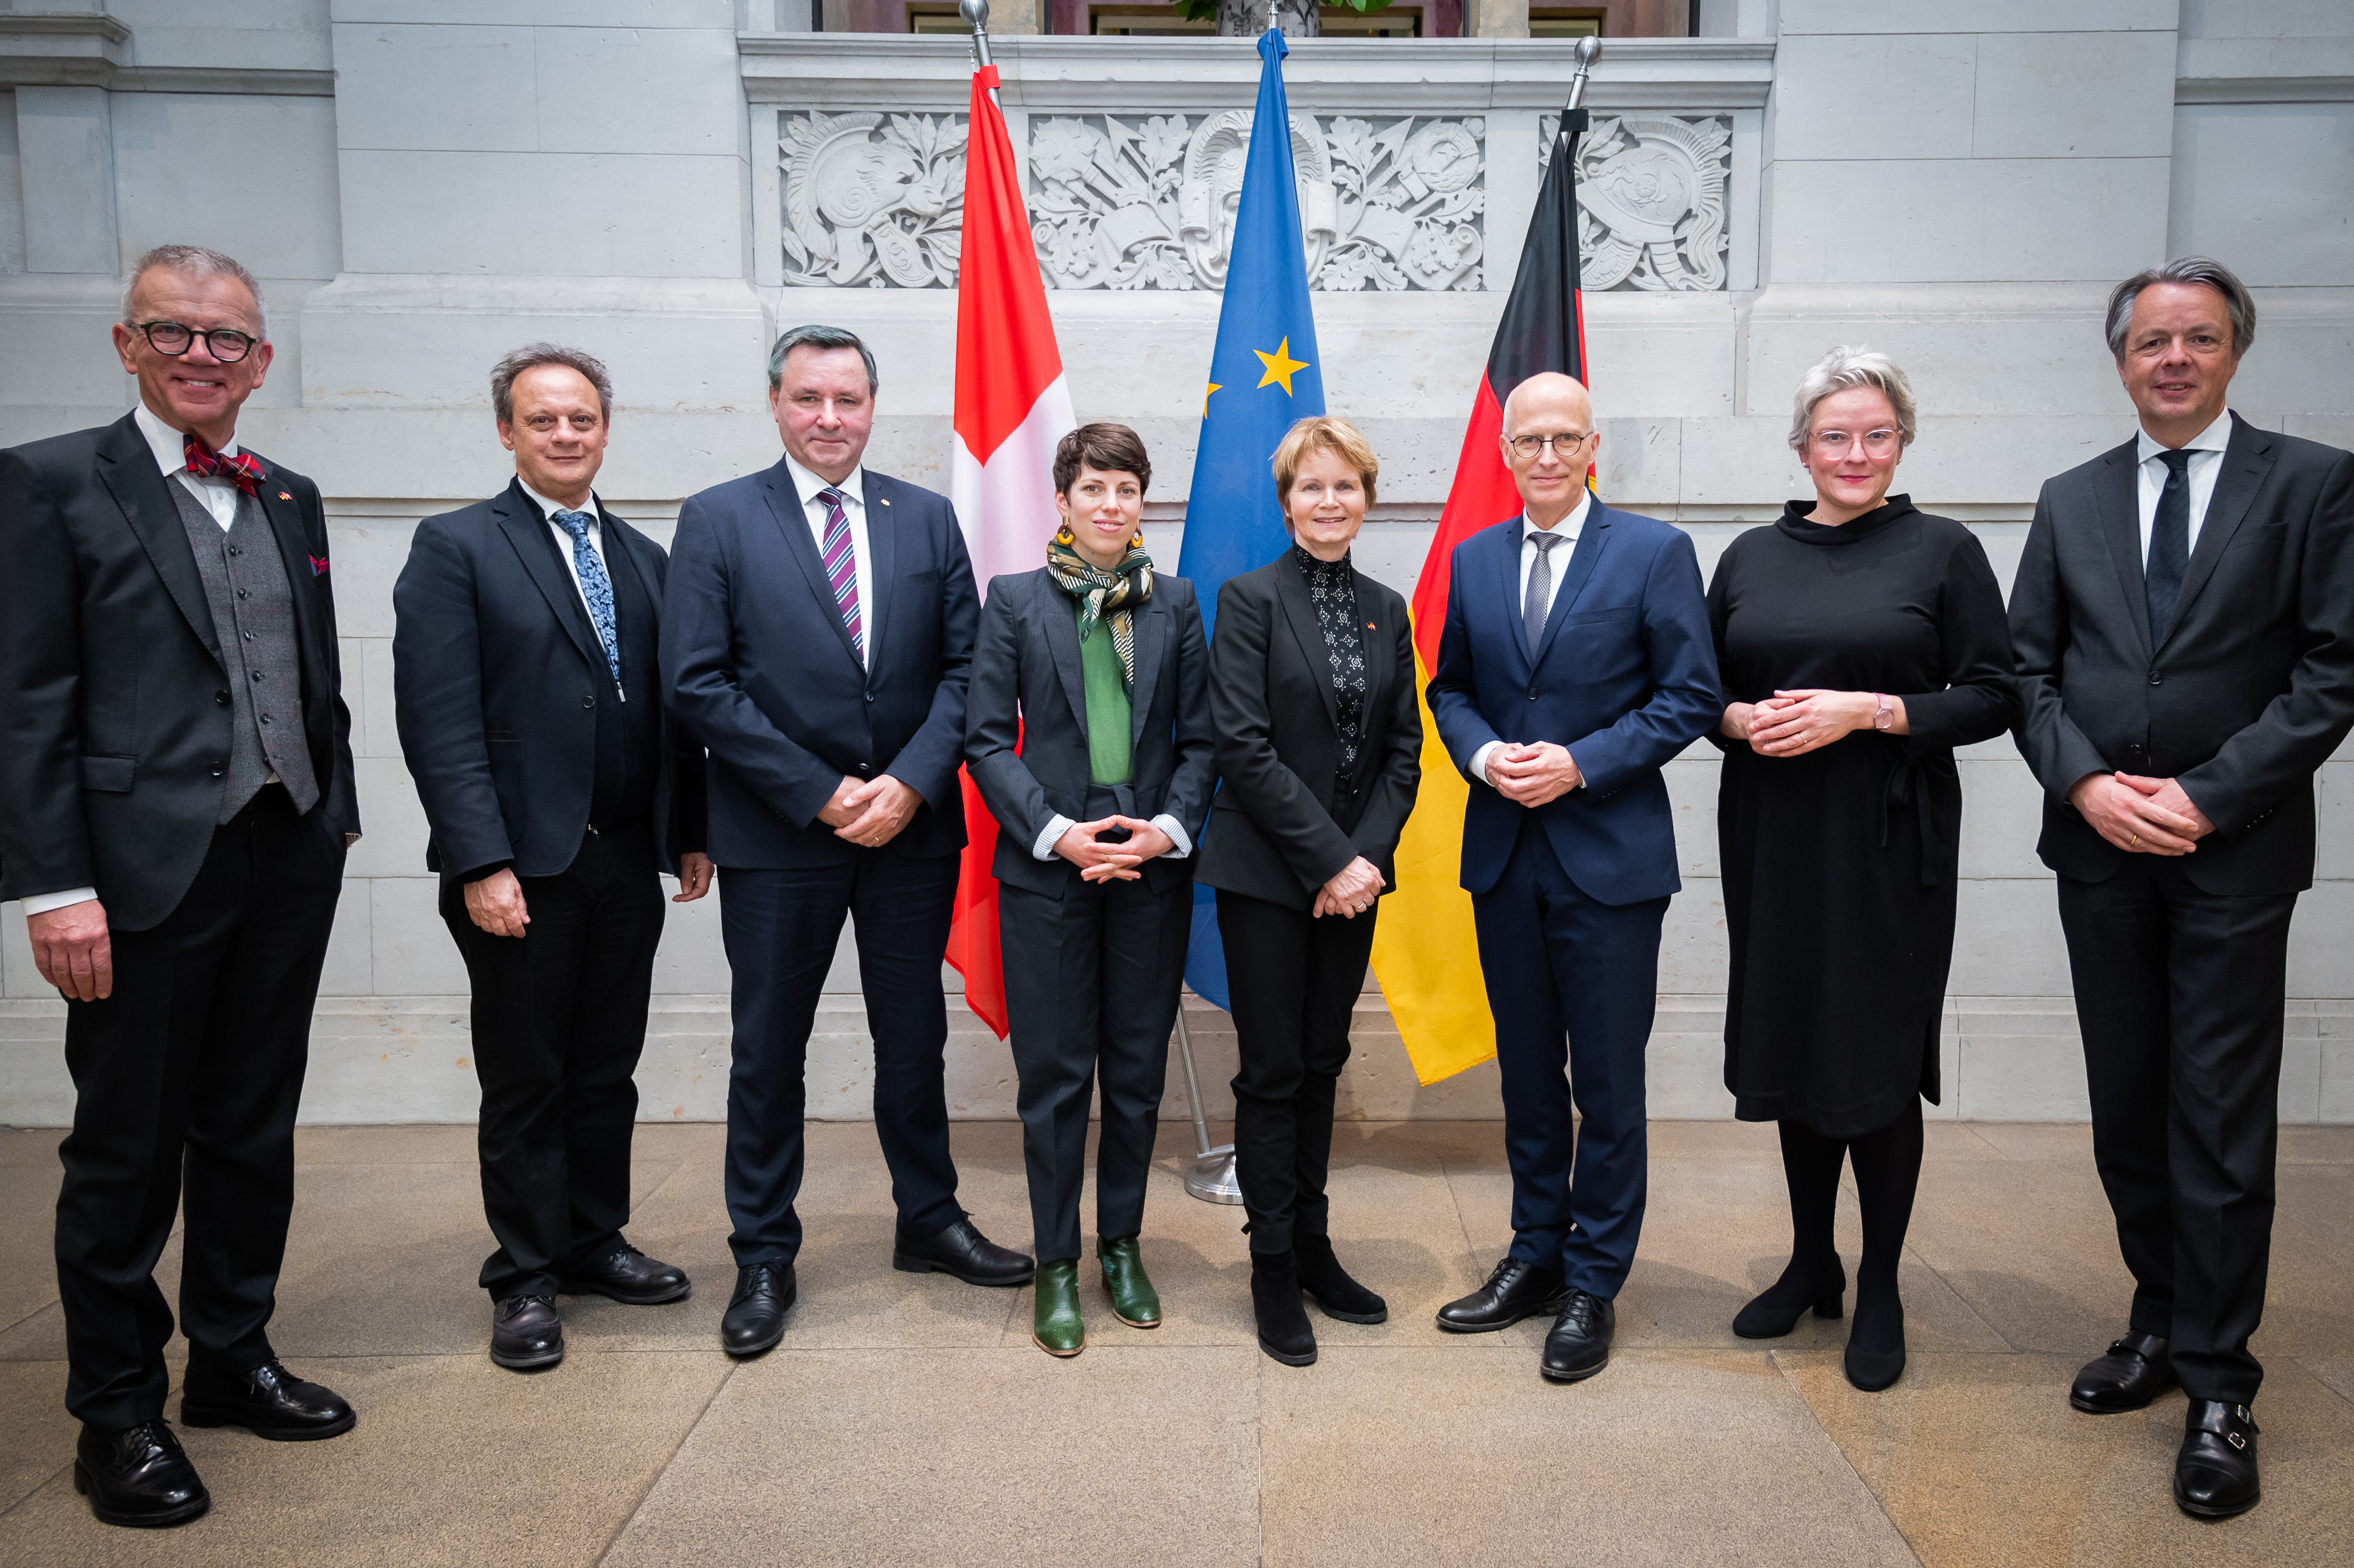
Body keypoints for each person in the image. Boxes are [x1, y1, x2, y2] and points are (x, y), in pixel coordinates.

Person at [0, 246, 360, 1528]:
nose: (202, 355)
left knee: (251, 1125)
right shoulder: (51, 484)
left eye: (228, 339)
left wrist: (333, 816)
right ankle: (115, 1410)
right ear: (125, 343)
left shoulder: (289, 493)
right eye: (175, 332)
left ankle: (230, 1356)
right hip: (140, 870)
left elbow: (306, 675)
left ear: (263, 358)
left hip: (285, 851)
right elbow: (26, 700)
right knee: (126, 1145)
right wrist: (52, 884)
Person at [2009, 257, 2354, 1520]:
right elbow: (2026, 671)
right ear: (2119, 359)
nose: (2172, 358)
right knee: (2129, 1104)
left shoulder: (2312, 484)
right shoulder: (2070, 496)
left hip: (2232, 853)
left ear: (2231, 353)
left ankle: (2220, 1382)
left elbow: (2332, 669)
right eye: (2151, 340)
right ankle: (2158, 1320)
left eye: (2197, 339)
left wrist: (2208, 793)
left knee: (2217, 1116)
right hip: (2099, 849)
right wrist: (2089, 786)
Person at [663, 324, 1031, 1358]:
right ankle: (765, 1250)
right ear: (775, 402)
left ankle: (930, 1218)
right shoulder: (720, 518)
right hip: (781, 834)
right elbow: (697, 683)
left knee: (911, 1040)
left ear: (875, 407)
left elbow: (970, 672)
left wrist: (910, 783)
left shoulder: (925, 519)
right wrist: (823, 792)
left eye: (850, 400)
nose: (831, 418)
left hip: (910, 833)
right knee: (768, 1049)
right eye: (810, 398)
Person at [393, 345, 713, 1373]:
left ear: (606, 430)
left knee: (605, 1068)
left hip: (624, 860)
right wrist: (480, 862)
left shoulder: (646, 557)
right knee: (527, 1076)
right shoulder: (455, 547)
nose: (566, 435)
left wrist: (689, 828)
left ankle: (592, 1239)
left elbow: (676, 712)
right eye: (543, 420)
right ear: (507, 432)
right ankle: (526, 1275)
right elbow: (437, 721)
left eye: (582, 419)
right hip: (518, 869)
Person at [1706, 347, 2016, 1392]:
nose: (1855, 452)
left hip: (1891, 844)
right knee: (1797, 1040)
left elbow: (1994, 695)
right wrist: (1739, 716)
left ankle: (1880, 1279)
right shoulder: (1750, 554)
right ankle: (1812, 1260)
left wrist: (1871, 710)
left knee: (1875, 1058)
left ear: (1902, 442)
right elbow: (1704, 690)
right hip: (1774, 838)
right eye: (1834, 435)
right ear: (1801, 447)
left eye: (1875, 434)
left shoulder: (1943, 550)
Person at [1425, 372, 1718, 1383]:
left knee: (1607, 1081)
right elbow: (1450, 686)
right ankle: (1534, 1254)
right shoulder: (1472, 560)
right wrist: (1481, 754)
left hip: (1609, 862)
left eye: (1565, 439)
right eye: (1528, 441)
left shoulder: (1654, 552)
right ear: (1505, 453)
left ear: (1595, 447)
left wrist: (1581, 760)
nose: (1545, 457)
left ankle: (1595, 1280)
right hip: (1505, 858)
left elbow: (1690, 696)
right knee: (1526, 1077)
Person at [963, 423, 1214, 1358]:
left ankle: (1121, 1244)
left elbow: (1203, 741)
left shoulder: (1176, 605)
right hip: (1047, 871)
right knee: (1058, 1076)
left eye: (1127, 489)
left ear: (1142, 501)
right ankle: (1056, 1263)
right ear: (1062, 502)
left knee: (1136, 1074)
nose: (1111, 505)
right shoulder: (1016, 601)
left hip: (1149, 868)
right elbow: (986, 739)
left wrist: (1165, 830)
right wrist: (1061, 834)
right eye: (1094, 489)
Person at [1196, 415, 1421, 1368]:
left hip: (1353, 884)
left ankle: (1318, 1250)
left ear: (1365, 498)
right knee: (1273, 1069)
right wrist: (1330, 858)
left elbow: (1404, 751)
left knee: (1325, 1061)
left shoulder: (1388, 605)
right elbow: (1242, 748)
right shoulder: (1248, 600)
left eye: (1347, 486)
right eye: (1313, 487)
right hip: (1265, 877)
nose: (1331, 503)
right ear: (1287, 501)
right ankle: (1271, 1267)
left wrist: (1360, 862)